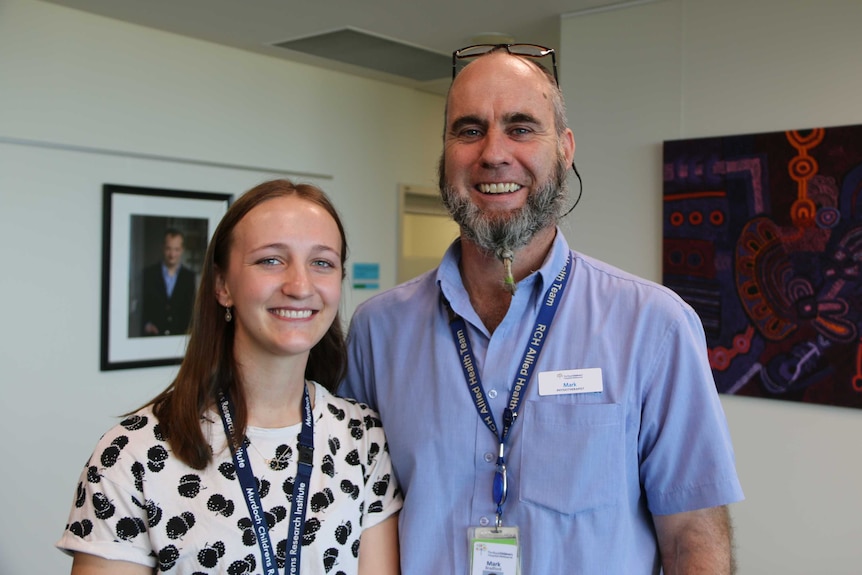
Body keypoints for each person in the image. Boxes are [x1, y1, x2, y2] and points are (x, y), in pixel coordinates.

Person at [340, 44, 744, 574]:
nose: (493, 153)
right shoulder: (378, 331)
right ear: (444, 152)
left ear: (566, 149)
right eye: (468, 130)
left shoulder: (654, 327)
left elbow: (694, 539)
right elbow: (352, 519)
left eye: (521, 127)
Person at [58, 179, 402, 575]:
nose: (300, 286)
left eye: (322, 262)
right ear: (222, 286)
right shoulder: (132, 455)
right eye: (271, 260)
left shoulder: (363, 439)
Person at [140, 228, 196, 336]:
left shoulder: (189, 277)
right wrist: (146, 325)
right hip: (152, 339)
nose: (172, 254)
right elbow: (140, 307)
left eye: (177, 249)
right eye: (168, 249)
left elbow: (192, 310)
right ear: (162, 248)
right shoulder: (148, 274)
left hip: (180, 339)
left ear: (182, 250)